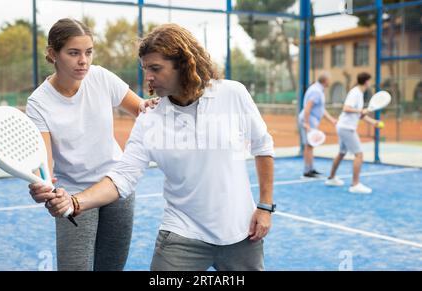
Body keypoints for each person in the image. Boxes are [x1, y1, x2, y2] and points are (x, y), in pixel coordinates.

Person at [29, 23, 275, 271]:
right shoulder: (150, 119)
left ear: (183, 64)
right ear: (53, 54)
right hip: (182, 232)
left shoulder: (232, 94)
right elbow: (122, 177)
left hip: (242, 233)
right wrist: (74, 201)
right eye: (145, 69)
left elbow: (263, 145)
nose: (147, 78)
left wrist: (265, 207)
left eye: (155, 68)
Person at [25, 18, 158, 271]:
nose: (83, 60)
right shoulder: (38, 102)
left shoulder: (101, 77)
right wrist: (41, 186)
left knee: (111, 267)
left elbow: (141, 109)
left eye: (88, 52)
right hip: (72, 195)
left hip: (116, 187)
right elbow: (42, 165)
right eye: (73, 53)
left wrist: (151, 106)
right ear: (53, 54)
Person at [325, 72, 381, 194]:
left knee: (341, 153)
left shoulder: (359, 94)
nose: (370, 83)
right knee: (359, 155)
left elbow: (359, 115)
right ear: (366, 81)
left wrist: (372, 122)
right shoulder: (355, 92)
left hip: (344, 126)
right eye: (370, 81)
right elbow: (346, 108)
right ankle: (355, 184)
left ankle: (331, 178)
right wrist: (361, 110)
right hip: (346, 128)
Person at [298, 72, 337, 178]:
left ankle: (310, 168)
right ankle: (307, 171)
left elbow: (321, 109)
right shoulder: (316, 91)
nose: (330, 81)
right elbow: (308, 108)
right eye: (329, 79)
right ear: (325, 81)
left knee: (310, 145)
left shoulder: (318, 90)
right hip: (308, 121)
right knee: (308, 145)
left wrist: (332, 120)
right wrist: (306, 123)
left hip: (311, 121)